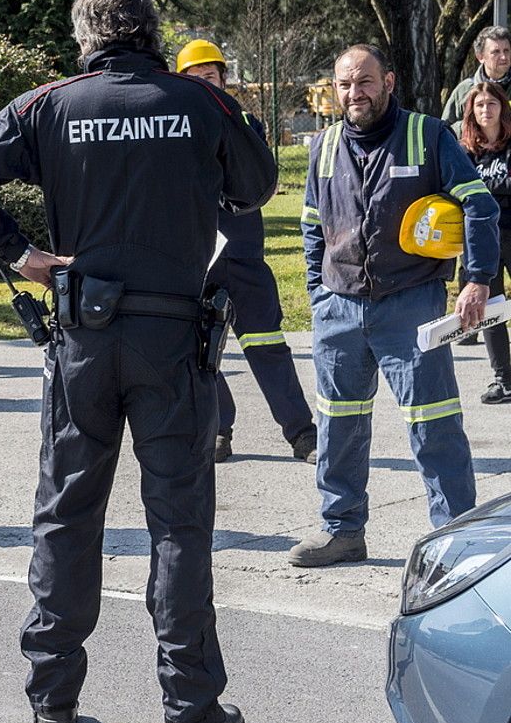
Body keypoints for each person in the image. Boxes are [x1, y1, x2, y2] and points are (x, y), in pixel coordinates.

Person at [0, 0, 276, 723]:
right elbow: (256, 185)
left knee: (67, 516)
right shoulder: (200, 102)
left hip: (82, 339)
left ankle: (53, 696)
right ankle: (190, 709)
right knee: (179, 526)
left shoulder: (49, 104)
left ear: (84, 35)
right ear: (153, 32)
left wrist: (19, 253)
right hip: (172, 342)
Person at [295, 44, 498, 568]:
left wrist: (477, 280)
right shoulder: (325, 144)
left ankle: (455, 539)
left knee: (433, 423)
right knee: (338, 424)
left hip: (411, 303)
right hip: (339, 308)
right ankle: (341, 530)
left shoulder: (428, 134)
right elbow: (312, 223)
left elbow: (478, 205)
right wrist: (319, 291)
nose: (354, 93)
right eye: (344, 84)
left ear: (388, 81)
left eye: (364, 82)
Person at [175, 40, 318, 463]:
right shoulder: (172, 128)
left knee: (267, 344)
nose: (205, 84)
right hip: (196, 259)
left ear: (223, 79)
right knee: (200, 350)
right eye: (194, 79)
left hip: (242, 256)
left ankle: (302, 435)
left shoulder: (245, 123)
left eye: (211, 77)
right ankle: (219, 429)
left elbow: (253, 180)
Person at [459, 82, 511, 403]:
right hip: (481, 240)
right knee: (492, 309)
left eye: (491, 103)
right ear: (472, 112)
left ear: (502, 108)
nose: (486, 110)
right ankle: (504, 380)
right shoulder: (464, 151)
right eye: (479, 105)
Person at [441, 26, 511, 124]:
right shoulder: (465, 90)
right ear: (480, 57)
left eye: (506, 51)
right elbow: (446, 129)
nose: (503, 57)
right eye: (496, 52)